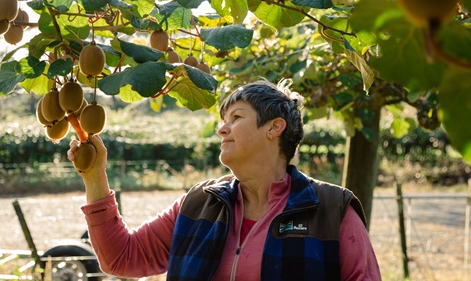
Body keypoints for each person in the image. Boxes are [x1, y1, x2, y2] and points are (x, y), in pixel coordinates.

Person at [67, 79, 381, 280]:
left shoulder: (332, 210)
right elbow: (121, 258)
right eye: (222, 120)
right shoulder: (198, 204)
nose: (222, 129)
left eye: (236, 118)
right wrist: (95, 177)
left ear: (274, 128)